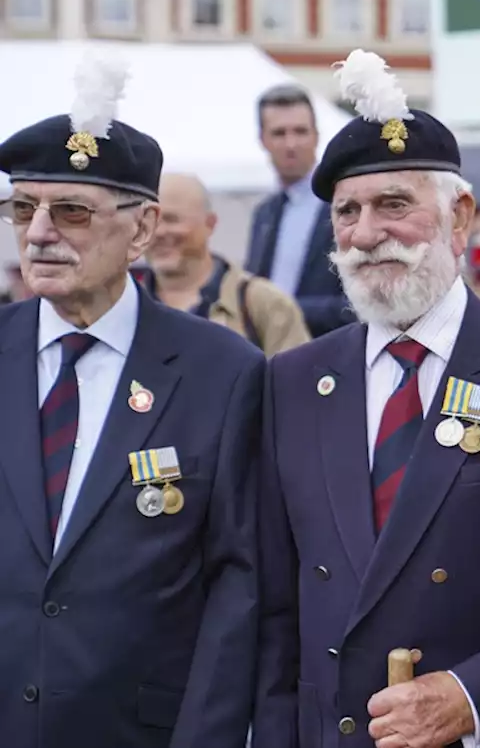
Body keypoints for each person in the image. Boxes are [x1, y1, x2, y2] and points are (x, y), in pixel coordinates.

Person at [253, 50, 480, 748]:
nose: (367, 234)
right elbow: (270, 607)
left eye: (394, 205)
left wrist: (473, 697)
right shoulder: (291, 382)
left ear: (459, 217)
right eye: (347, 212)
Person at [0, 55, 262, 748]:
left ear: (142, 230)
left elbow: (240, 586)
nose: (38, 232)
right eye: (22, 208)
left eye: (71, 211)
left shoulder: (223, 372)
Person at [141, 172, 310, 357]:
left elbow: (297, 382)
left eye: (172, 220)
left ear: (210, 224)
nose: (160, 232)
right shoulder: (125, 308)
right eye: (150, 223)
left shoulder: (264, 305)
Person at [245, 84, 353, 337]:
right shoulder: (264, 213)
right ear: (263, 139)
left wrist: (281, 309)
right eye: (279, 133)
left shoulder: (347, 206)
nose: (291, 144)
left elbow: (360, 305)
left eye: (300, 132)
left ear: (316, 136)